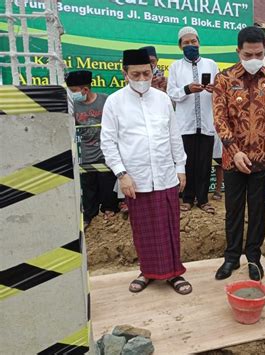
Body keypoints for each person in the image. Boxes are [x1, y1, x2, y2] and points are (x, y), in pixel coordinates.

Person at [101, 48, 191, 295]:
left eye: (146, 73)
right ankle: (147, 272)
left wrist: (180, 167)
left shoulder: (162, 99)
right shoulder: (114, 102)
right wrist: (121, 174)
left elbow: (174, 136)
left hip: (165, 175)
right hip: (135, 179)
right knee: (143, 230)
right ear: (125, 73)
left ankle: (174, 273)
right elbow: (108, 142)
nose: (142, 79)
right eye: (136, 74)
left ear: (153, 71)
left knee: (170, 227)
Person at [212, 26, 265, 281]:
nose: (254, 60)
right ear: (238, 51)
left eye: (259, 54)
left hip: (263, 158)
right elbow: (220, 120)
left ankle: (254, 257)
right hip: (233, 160)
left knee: (258, 211)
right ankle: (231, 257)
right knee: (234, 210)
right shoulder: (223, 80)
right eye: (248, 55)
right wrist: (233, 152)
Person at [167, 27, 219, 214]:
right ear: (180, 46)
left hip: (206, 122)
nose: (191, 45)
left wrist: (214, 89)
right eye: (186, 43)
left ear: (199, 43)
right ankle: (187, 199)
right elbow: (171, 93)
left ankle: (203, 199)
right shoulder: (175, 67)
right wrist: (187, 89)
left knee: (205, 163)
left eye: (193, 41)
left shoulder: (211, 64)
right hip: (185, 125)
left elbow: (220, 90)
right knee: (187, 163)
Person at [65, 70, 119, 229]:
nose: (72, 94)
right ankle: (89, 215)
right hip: (86, 153)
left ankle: (110, 209)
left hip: (106, 152)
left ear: (85, 90)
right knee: (89, 187)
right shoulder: (72, 105)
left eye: (74, 91)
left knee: (107, 183)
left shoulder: (106, 100)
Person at [212, 134, 224, 201]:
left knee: (219, 163)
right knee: (203, 164)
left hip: (219, 132)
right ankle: (199, 192)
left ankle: (218, 190)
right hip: (204, 132)